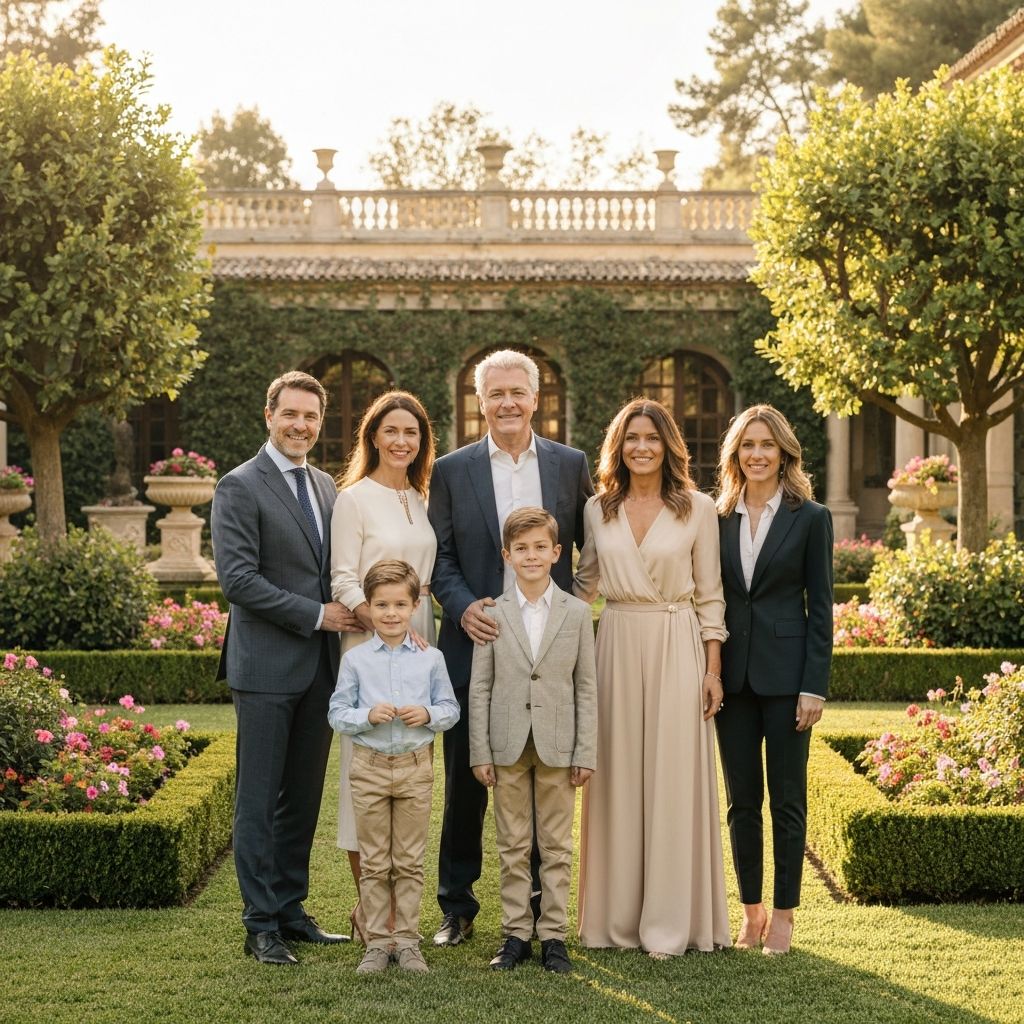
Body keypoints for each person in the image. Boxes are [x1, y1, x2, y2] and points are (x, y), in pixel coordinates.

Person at [428, 348, 593, 947]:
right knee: (467, 779)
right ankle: (458, 904)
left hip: (548, 653)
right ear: (480, 402)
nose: (507, 403)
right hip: (477, 640)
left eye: (516, 392)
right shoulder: (451, 470)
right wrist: (463, 604)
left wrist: (568, 612)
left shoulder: (570, 464)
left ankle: (541, 915)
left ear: (535, 398)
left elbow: (585, 551)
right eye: (495, 393)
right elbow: (440, 556)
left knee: (545, 773)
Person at [574, 397, 730, 957]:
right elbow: (583, 587)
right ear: (618, 446)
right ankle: (613, 922)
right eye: (632, 438)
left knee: (671, 780)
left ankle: (673, 923)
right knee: (614, 779)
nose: (642, 447)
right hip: (614, 644)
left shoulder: (698, 508)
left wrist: (712, 671)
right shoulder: (598, 509)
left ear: (669, 446)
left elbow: (710, 594)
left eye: (653, 438)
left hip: (676, 644)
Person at [212, 370, 351, 966]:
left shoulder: (324, 485)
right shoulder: (239, 485)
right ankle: (259, 923)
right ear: (269, 415)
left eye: (311, 417)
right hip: (267, 666)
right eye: (290, 414)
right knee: (259, 801)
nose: (301, 425)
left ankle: (292, 911)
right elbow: (238, 580)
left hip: (319, 671)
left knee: (301, 799)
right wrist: (318, 615)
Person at [714, 404, 833, 955]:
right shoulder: (718, 515)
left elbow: (822, 607)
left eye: (766, 446)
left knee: (787, 801)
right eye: (747, 446)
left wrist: (815, 685)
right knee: (741, 803)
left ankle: (784, 914)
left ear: (784, 452)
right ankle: (752, 911)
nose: (757, 455)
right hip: (732, 680)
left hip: (788, 682)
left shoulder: (810, 516)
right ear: (735, 455)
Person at [468, 507, 598, 974]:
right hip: (506, 746)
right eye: (521, 548)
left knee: (557, 846)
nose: (531, 555)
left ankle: (554, 937)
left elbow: (586, 686)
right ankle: (516, 933)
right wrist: (480, 751)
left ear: (557, 553)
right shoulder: (492, 612)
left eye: (541, 547)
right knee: (512, 844)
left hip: (559, 745)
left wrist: (585, 751)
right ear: (507, 555)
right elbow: (480, 686)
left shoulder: (578, 613)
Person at [329, 390, 437, 943]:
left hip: (422, 648)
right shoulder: (354, 498)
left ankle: (402, 911)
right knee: (365, 779)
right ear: (373, 435)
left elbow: (428, 578)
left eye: (411, 433)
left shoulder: (419, 498)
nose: (401, 441)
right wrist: (382, 619)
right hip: (371, 645)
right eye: (391, 431)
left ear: (422, 442)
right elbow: (343, 577)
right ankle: (371, 915)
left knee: (411, 775)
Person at [327, 559, 459, 974]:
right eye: (381, 605)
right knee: (374, 861)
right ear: (369, 605)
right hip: (368, 767)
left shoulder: (431, 658)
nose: (390, 613)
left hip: (415, 768)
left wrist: (427, 713)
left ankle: (407, 942)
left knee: (408, 860)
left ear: (416, 605)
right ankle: (377, 943)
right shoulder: (357, 660)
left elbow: (450, 708)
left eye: (400, 604)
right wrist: (366, 716)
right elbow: (336, 712)